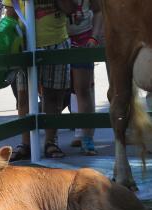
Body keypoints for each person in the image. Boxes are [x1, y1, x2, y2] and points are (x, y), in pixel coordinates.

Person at [10, 0, 76, 161]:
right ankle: (25, 144)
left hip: (57, 42)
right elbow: (10, 15)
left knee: (53, 96)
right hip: (25, 46)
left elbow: (70, 8)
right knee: (23, 96)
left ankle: (51, 142)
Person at [67, 0, 102, 155]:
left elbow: (98, 11)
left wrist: (94, 38)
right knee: (54, 92)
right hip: (59, 39)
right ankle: (50, 141)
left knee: (83, 89)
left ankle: (86, 137)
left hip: (83, 40)